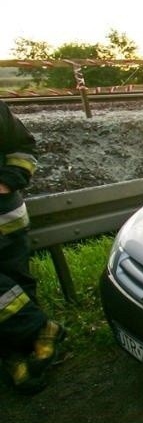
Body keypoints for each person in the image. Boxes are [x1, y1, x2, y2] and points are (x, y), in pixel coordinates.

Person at [0, 100, 63, 394]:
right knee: (10, 295)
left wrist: (7, 182)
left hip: (6, 221)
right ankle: (41, 333)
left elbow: (24, 149)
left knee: (18, 289)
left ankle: (26, 349)